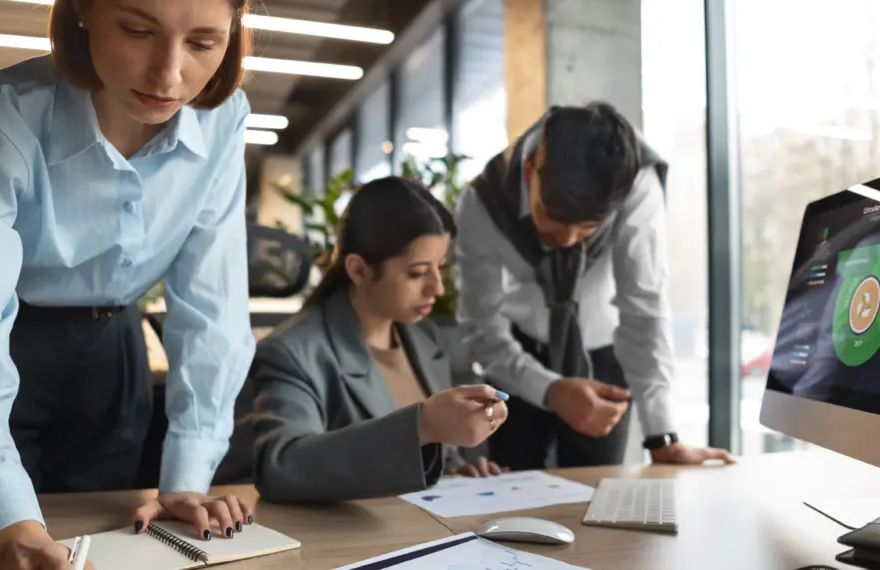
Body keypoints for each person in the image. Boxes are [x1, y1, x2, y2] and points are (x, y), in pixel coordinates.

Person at [0, 1, 257, 568]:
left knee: (102, 539)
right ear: (84, 9)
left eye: (203, 43)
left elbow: (212, 303)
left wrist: (187, 478)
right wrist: (7, 526)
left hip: (114, 348)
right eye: (137, 30)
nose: (169, 75)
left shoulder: (224, 118)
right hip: (3, 344)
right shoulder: (2, 117)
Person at [454, 101, 735, 470]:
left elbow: (644, 308)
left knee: (598, 491)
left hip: (603, 357)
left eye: (588, 228)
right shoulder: (482, 203)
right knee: (512, 486)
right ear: (528, 171)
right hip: (516, 355)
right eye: (553, 220)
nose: (568, 241)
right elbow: (482, 326)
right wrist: (549, 389)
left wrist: (662, 435)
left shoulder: (637, 183)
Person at [249, 176, 510, 504]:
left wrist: (456, 471)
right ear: (359, 270)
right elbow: (280, 468)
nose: (437, 288)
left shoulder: (424, 337)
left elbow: (431, 460)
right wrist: (422, 425)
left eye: (440, 268)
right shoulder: (292, 353)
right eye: (417, 273)